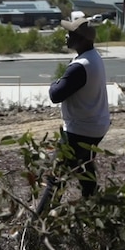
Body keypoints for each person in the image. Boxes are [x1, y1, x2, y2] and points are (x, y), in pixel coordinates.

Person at [36, 17, 110, 214]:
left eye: (70, 33)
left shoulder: (80, 66)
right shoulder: (94, 57)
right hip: (97, 125)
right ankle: (92, 210)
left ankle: (37, 223)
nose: (66, 35)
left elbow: (55, 95)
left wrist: (55, 82)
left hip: (80, 129)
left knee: (56, 175)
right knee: (84, 167)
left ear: (80, 39)